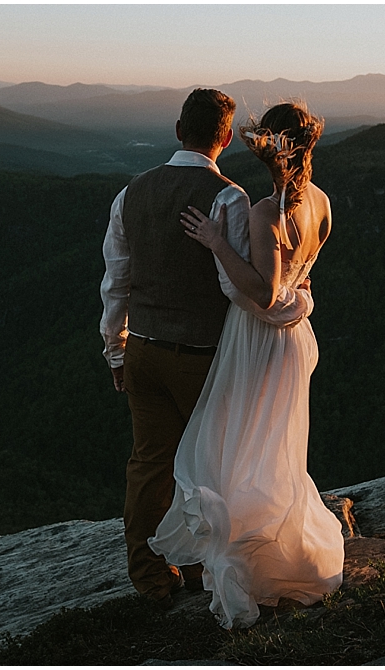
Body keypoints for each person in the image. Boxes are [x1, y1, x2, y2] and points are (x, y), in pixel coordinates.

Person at [100, 89, 314, 611]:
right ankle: (205, 567)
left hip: (145, 350)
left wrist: (116, 349)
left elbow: (115, 281)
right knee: (212, 466)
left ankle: (150, 575)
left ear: (178, 129)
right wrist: (296, 302)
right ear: (224, 137)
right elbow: (238, 289)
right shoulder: (229, 198)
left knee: (149, 462)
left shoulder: (130, 193)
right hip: (204, 358)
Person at [147, 102, 344, 629]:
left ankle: (248, 563)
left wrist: (214, 242)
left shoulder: (264, 210)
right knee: (276, 448)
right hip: (297, 336)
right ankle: (285, 551)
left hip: (258, 338)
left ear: (264, 146)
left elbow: (261, 292)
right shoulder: (321, 203)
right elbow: (300, 279)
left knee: (229, 450)